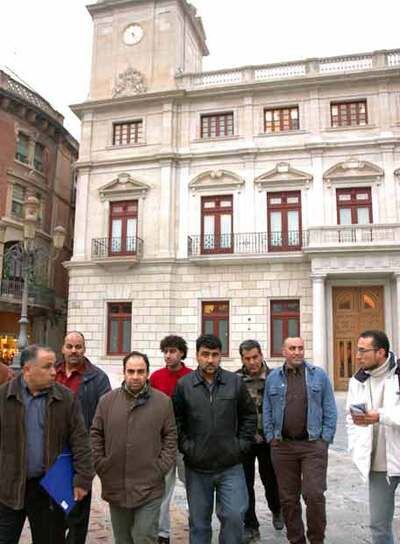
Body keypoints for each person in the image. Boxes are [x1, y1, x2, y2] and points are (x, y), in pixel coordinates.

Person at [0, 344, 94, 544]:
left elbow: (80, 440)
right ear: (27, 369)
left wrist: (83, 479)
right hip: (8, 487)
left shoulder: (65, 397)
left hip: (49, 489)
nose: (54, 372)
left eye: (53, 366)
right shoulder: (3, 397)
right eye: (47, 367)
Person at [173, 334, 257, 544]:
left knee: (234, 516)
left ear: (221, 356)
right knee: (199, 524)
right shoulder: (184, 385)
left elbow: (249, 415)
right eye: (205, 355)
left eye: (215, 355)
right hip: (197, 467)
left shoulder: (234, 382)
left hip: (231, 465)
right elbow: (177, 421)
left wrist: (241, 445)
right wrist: (187, 447)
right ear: (197, 356)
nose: (210, 360)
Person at [91, 351, 177, 544]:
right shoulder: (107, 401)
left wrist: (160, 467)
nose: (135, 376)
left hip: (150, 485)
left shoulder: (163, 402)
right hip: (116, 484)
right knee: (122, 539)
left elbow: (170, 437)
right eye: (131, 371)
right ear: (124, 372)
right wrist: (101, 464)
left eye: (140, 371)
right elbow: (96, 434)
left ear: (147, 373)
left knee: (144, 536)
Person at [263, 337, 337, 544]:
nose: (297, 352)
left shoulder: (318, 376)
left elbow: (329, 408)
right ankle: (296, 540)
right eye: (292, 348)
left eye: (301, 348)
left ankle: (316, 540)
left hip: (312, 445)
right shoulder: (273, 378)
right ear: (283, 351)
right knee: (288, 499)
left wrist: (325, 439)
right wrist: (271, 437)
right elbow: (267, 409)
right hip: (282, 446)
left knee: (314, 495)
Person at [55, 330, 111, 544]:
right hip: (52, 454)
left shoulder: (98, 378)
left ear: (84, 349)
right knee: (53, 514)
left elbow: (103, 419)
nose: (74, 351)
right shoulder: (52, 372)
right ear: (63, 348)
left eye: (78, 347)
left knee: (77, 514)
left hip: (81, 455)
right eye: (70, 346)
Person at [346, 329, 400, 544]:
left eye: (362, 350)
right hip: (378, 465)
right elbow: (350, 419)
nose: (357, 355)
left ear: (381, 352)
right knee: (378, 526)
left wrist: (380, 416)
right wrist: (355, 447)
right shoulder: (356, 381)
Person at [236, 339, 283, 542]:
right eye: (247, 359)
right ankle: (250, 524)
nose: (252, 362)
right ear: (242, 359)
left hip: (268, 440)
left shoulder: (275, 377)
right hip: (245, 440)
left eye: (255, 357)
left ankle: (276, 509)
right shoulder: (235, 380)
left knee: (271, 480)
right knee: (245, 485)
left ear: (261, 355)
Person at [150, 335, 192, 544]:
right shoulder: (156, 377)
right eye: (165, 351)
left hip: (185, 443)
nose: (168, 355)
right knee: (163, 489)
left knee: (193, 485)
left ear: (181, 353)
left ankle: (197, 524)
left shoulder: (192, 376)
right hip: (162, 442)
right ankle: (163, 533)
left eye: (172, 351)